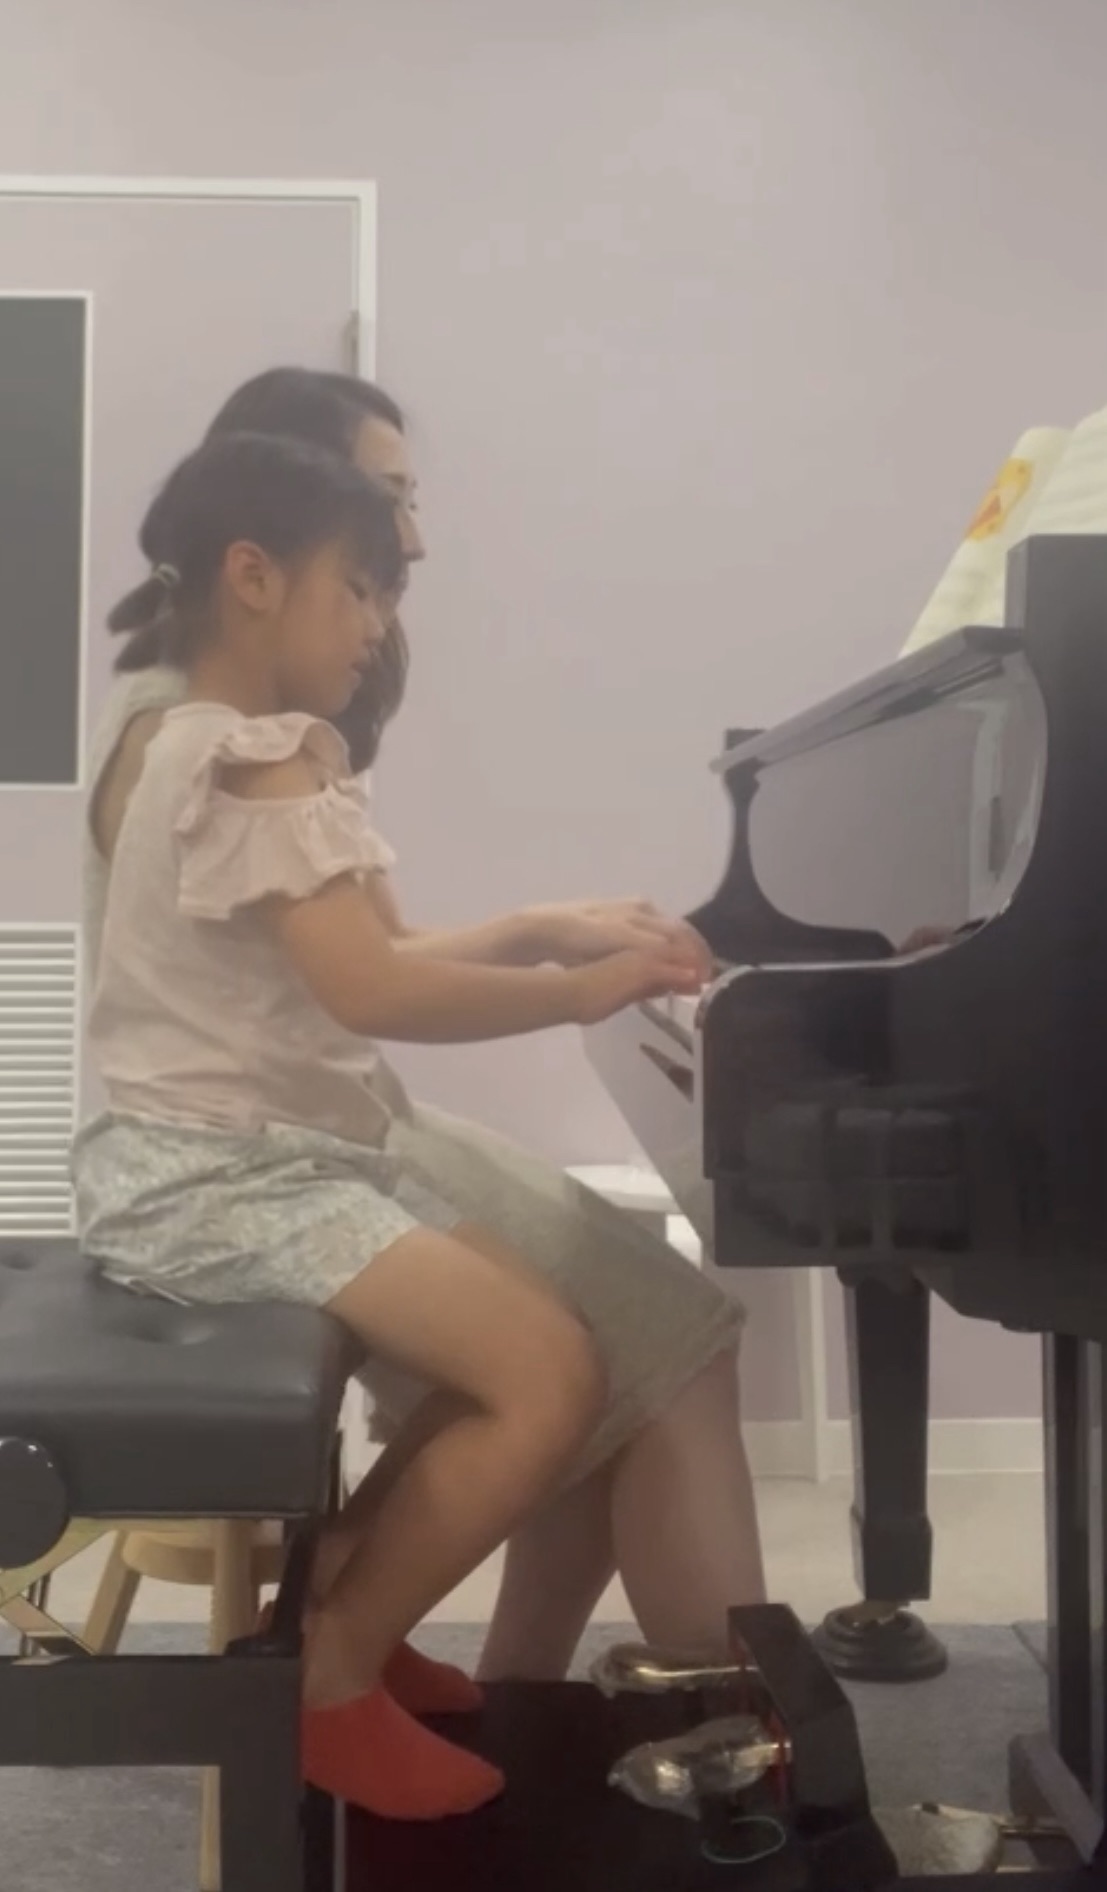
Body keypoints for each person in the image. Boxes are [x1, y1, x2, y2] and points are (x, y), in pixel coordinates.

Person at [85, 369, 766, 1700]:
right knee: (622, 1352)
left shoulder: (192, 718)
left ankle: (403, 1662)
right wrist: (574, 984)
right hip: (257, 1156)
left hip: (283, 1133)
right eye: (378, 537)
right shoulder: (237, 745)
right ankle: (372, 1672)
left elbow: (366, 959)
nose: (408, 562)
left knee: (578, 1343)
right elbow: (375, 988)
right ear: (260, 562)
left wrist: (540, 932)